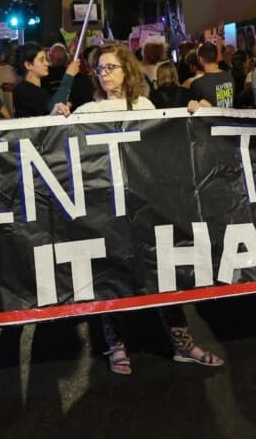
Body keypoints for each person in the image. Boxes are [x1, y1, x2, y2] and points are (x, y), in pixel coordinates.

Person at [58, 44, 223, 374]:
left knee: (163, 272)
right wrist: (56, 119)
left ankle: (182, 343)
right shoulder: (87, 111)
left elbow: (168, 140)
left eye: (111, 68)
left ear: (127, 71)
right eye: (100, 69)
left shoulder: (144, 106)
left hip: (147, 206)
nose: (104, 75)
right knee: (112, 276)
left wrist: (195, 111)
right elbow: (58, 148)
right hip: (107, 207)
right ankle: (115, 345)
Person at [12, 42, 77, 118]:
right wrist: (69, 76)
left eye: (46, 59)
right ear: (28, 65)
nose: (47, 63)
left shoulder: (42, 87)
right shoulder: (22, 90)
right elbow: (52, 108)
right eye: (41, 60)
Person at [188, 42, 236, 108]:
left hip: (209, 118)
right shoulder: (230, 78)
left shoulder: (197, 84)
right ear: (216, 57)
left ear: (201, 60)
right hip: (227, 118)